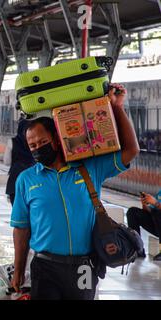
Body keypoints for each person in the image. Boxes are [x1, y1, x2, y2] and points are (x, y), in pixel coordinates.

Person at [10, 83, 140, 300]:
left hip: (84, 265)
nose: (37, 148)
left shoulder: (89, 168)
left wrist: (117, 107)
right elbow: (21, 230)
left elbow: (131, 150)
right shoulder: (26, 179)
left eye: (43, 142)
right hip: (44, 266)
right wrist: (18, 269)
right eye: (32, 146)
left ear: (57, 140)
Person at [5, 116, 35, 204]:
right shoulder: (36, 142)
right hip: (33, 181)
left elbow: (6, 162)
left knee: (18, 213)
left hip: (15, 180)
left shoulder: (12, 141)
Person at [126, 189, 161, 261]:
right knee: (132, 212)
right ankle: (137, 249)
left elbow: (157, 207)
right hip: (157, 224)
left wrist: (156, 203)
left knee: (158, 213)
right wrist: (145, 203)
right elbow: (150, 211)